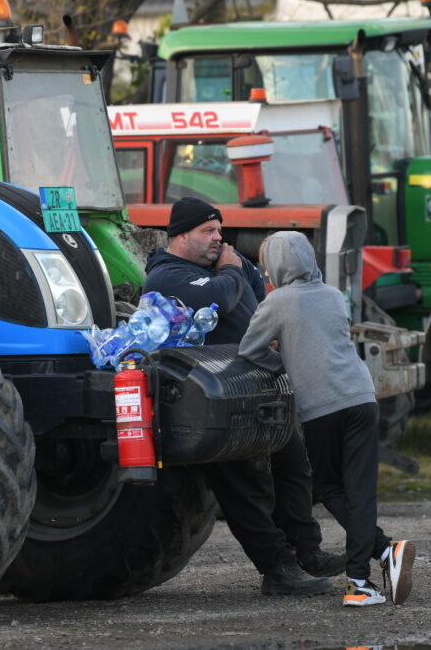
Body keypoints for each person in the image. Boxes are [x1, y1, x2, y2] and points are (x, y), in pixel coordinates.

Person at [143, 196, 342, 596]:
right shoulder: (166, 274)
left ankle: (308, 553)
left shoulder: (222, 268)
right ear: (180, 234)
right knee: (242, 485)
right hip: (210, 395)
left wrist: (237, 277)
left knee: (293, 466)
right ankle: (278, 569)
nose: (219, 238)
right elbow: (216, 299)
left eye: (220, 230)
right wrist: (231, 271)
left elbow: (257, 293)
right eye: (208, 231)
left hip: (253, 383)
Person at [238, 230, 415, 607]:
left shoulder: (275, 302)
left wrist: (281, 362)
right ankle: (376, 562)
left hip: (320, 409)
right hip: (362, 398)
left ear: (278, 264)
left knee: (330, 488)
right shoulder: (335, 296)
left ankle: (372, 569)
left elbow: (248, 351)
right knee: (360, 490)